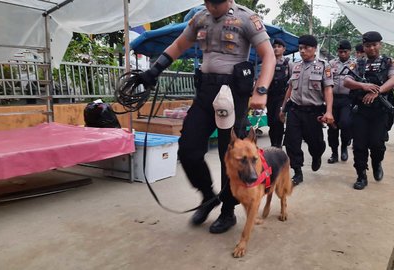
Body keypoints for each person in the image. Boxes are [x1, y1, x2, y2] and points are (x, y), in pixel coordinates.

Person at [137, 0, 275, 233]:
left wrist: (261, 90)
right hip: (205, 92)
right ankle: (208, 196)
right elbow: (179, 44)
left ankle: (228, 211)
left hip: (233, 94)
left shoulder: (247, 18)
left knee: (229, 155)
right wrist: (155, 70)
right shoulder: (199, 17)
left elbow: (268, 55)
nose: (212, 7)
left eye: (217, 3)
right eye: (208, 2)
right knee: (188, 149)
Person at [343, 31, 394, 190]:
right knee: (359, 145)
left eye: (374, 45)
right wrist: (363, 86)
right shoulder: (357, 63)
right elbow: (347, 81)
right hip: (360, 110)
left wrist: (377, 92)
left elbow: (393, 79)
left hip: (380, 110)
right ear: (364, 46)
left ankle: (377, 162)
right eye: (368, 45)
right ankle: (361, 175)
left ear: (380, 44)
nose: (372, 48)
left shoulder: (389, 61)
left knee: (377, 143)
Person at [279, 35, 334, 186]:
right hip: (295, 110)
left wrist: (329, 112)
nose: (302, 51)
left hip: (313, 112)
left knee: (315, 143)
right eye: (300, 48)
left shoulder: (324, 66)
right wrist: (283, 109)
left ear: (314, 49)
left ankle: (317, 154)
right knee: (292, 142)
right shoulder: (295, 65)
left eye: (306, 48)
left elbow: (328, 89)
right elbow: (290, 88)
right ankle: (297, 171)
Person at [327, 40, 355, 164]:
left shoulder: (355, 64)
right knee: (332, 126)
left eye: (345, 51)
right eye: (340, 52)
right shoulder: (331, 63)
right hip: (332, 98)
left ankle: (344, 147)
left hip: (347, 99)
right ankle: (334, 152)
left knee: (345, 124)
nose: (342, 54)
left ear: (349, 51)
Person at [267, 38, 293, 148]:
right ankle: (273, 144)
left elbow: (292, 82)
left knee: (278, 120)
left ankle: (278, 145)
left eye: (279, 46)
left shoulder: (288, 63)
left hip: (282, 97)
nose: (276, 48)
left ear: (284, 49)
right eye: (274, 46)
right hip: (270, 96)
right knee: (271, 122)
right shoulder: (268, 61)